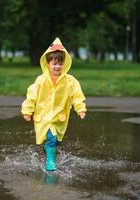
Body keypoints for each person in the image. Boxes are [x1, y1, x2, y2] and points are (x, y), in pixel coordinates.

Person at [21, 37, 87, 171]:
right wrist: (27, 111)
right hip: (44, 115)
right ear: (47, 64)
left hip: (59, 116)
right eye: (54, 64)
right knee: (51, 138)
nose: (58, 67)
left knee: (56, 140)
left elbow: (77, 95)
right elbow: (31, 95)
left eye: (60, 63)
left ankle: (49, 149)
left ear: (65, 63)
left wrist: (80, 108)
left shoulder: (70, 81)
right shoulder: (41, 80)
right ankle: (50, 162)